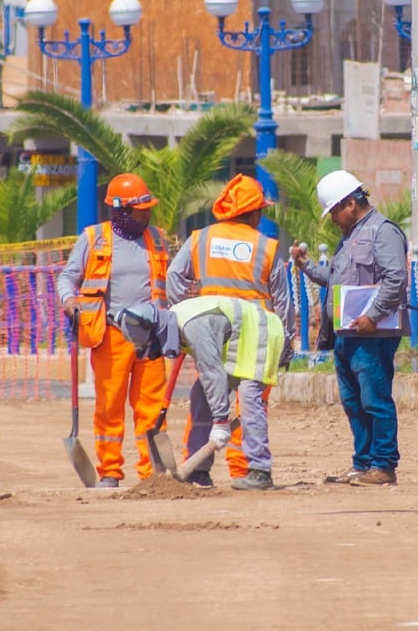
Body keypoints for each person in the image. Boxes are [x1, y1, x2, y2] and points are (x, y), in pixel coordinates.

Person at [166, 174, 295, 487]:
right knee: (251, 400)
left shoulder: (201, 238)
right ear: (252, 213)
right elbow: (283, 301)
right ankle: (259, 470)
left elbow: (174, 278)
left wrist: (186, 312)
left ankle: (198, 469)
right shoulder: (265, 246)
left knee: (205, 394)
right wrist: (286, 342)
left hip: (212, 329)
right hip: (256, 335)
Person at [291, 170, 410, 485]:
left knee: (375, 399)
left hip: (372, 335)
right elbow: (335, 278)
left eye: (333, 211)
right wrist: (306, 266)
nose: (331, 218)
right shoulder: (351, 236)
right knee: (354, 402)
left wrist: (372, 315)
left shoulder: (382, 232)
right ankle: (363, 464)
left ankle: (383, 465)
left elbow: (396, 278)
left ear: (351, 203)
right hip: (347, 334)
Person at [55, 173, 172, 488]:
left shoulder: (157, 238)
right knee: (110, 406)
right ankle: (110, 471)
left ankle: (153, 473)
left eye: (148, 208)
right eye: (141, 209)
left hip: (151, 336)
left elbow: (170, 285)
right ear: (120, 209)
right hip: (111, 335)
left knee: (152, 407)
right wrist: (70, 302)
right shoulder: (94, 238)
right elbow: (68, 277)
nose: (147, 213)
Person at [114, 295, 286, 491]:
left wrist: (221, 421)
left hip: (262, 334)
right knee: (200, 394)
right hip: (238, 342)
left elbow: (213, 373)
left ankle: (260, 471)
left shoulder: (192, 327)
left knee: (248, 396)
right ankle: (199, 471)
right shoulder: (175, 322)